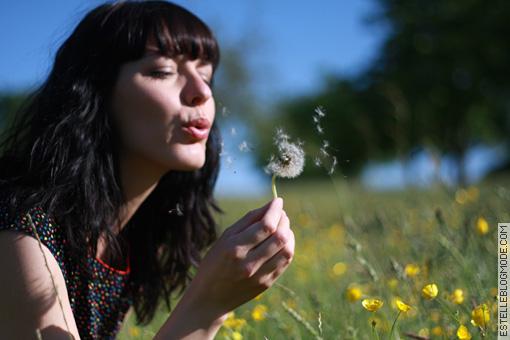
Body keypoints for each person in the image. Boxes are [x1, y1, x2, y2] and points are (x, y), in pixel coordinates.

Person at [0, 1, 295, 339]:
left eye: (206, 75)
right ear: (95, 92)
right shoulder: (22, 232)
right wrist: (207, 306)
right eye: (162, 71)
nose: (201, 92)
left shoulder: (125, 240)